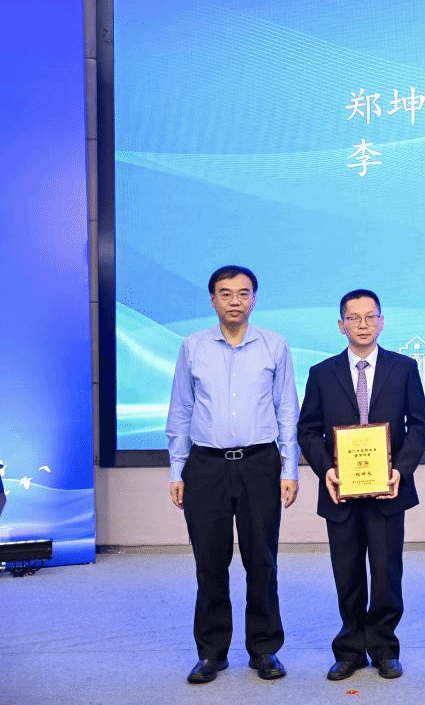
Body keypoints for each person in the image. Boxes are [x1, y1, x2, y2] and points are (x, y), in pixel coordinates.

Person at [165, 265, 299, 684]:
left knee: (262, 561)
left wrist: (290, 468)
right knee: (209, 562)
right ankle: (211, 653)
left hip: (260, 463)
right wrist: (177, 469)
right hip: (205, 466)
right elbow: (181, 410)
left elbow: (286, 410)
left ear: (254, 299)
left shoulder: (275, 345)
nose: (235, 301)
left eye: (243, 293)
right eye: (225, 293)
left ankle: (264, 649)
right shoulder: (192, 347)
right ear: (213, 300)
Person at [297, 289, 425, 682]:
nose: (363, 324)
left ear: (382, 322)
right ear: (341, 325)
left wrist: (401, 470)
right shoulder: (322, 373)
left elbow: (418, 425)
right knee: (348, 572)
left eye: (370, 317)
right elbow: (308, 430)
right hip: (340, 490)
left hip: (389, 488)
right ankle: (350, 650)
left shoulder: (404, 368)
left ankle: (385, 649)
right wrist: (326, 470)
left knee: (387, 573)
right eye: (354, 318)